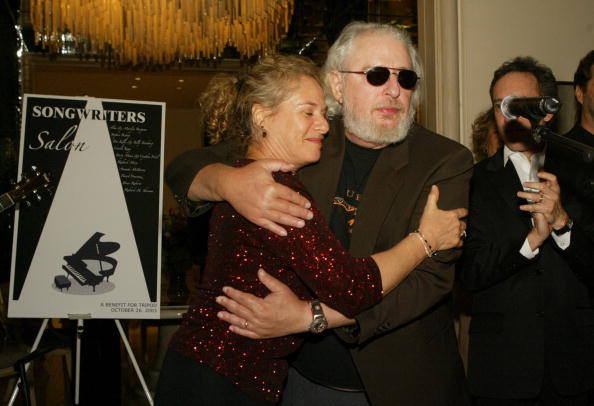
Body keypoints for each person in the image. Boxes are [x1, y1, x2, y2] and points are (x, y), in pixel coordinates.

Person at [165, 21, 473, 405]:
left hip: (399, 383)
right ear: (338, 86)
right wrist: (227, 182)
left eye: (406, 78)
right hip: (298, 380)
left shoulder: (445, 160)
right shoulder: (307, 139)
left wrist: (309, 316)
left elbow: (430, 282)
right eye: (377, 75)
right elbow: (184, 166)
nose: (394, 90)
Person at [460, 56, 594, 405]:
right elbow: (467, 275)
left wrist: (563, 225)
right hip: (503, 370)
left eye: (520, 105)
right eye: (500, 106)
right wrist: (530, 241)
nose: (509, 115)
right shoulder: (472, 181)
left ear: (547, 112)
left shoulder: (581, 173)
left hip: (577, 366)